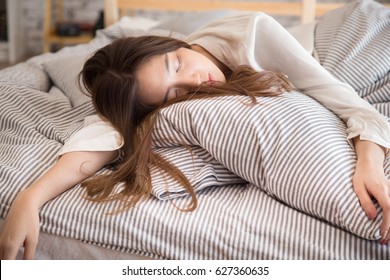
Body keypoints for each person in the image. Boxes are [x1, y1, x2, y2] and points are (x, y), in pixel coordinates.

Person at [1, 10, 389, 260]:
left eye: (179, 63)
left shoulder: (254, 33)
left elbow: (351, 105)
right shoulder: (149, 94)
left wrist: (368, 161)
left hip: (331, 42)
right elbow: (101, 135)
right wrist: (29, 198)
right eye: (174, 95)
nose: (194, 81)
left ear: (179, 43)